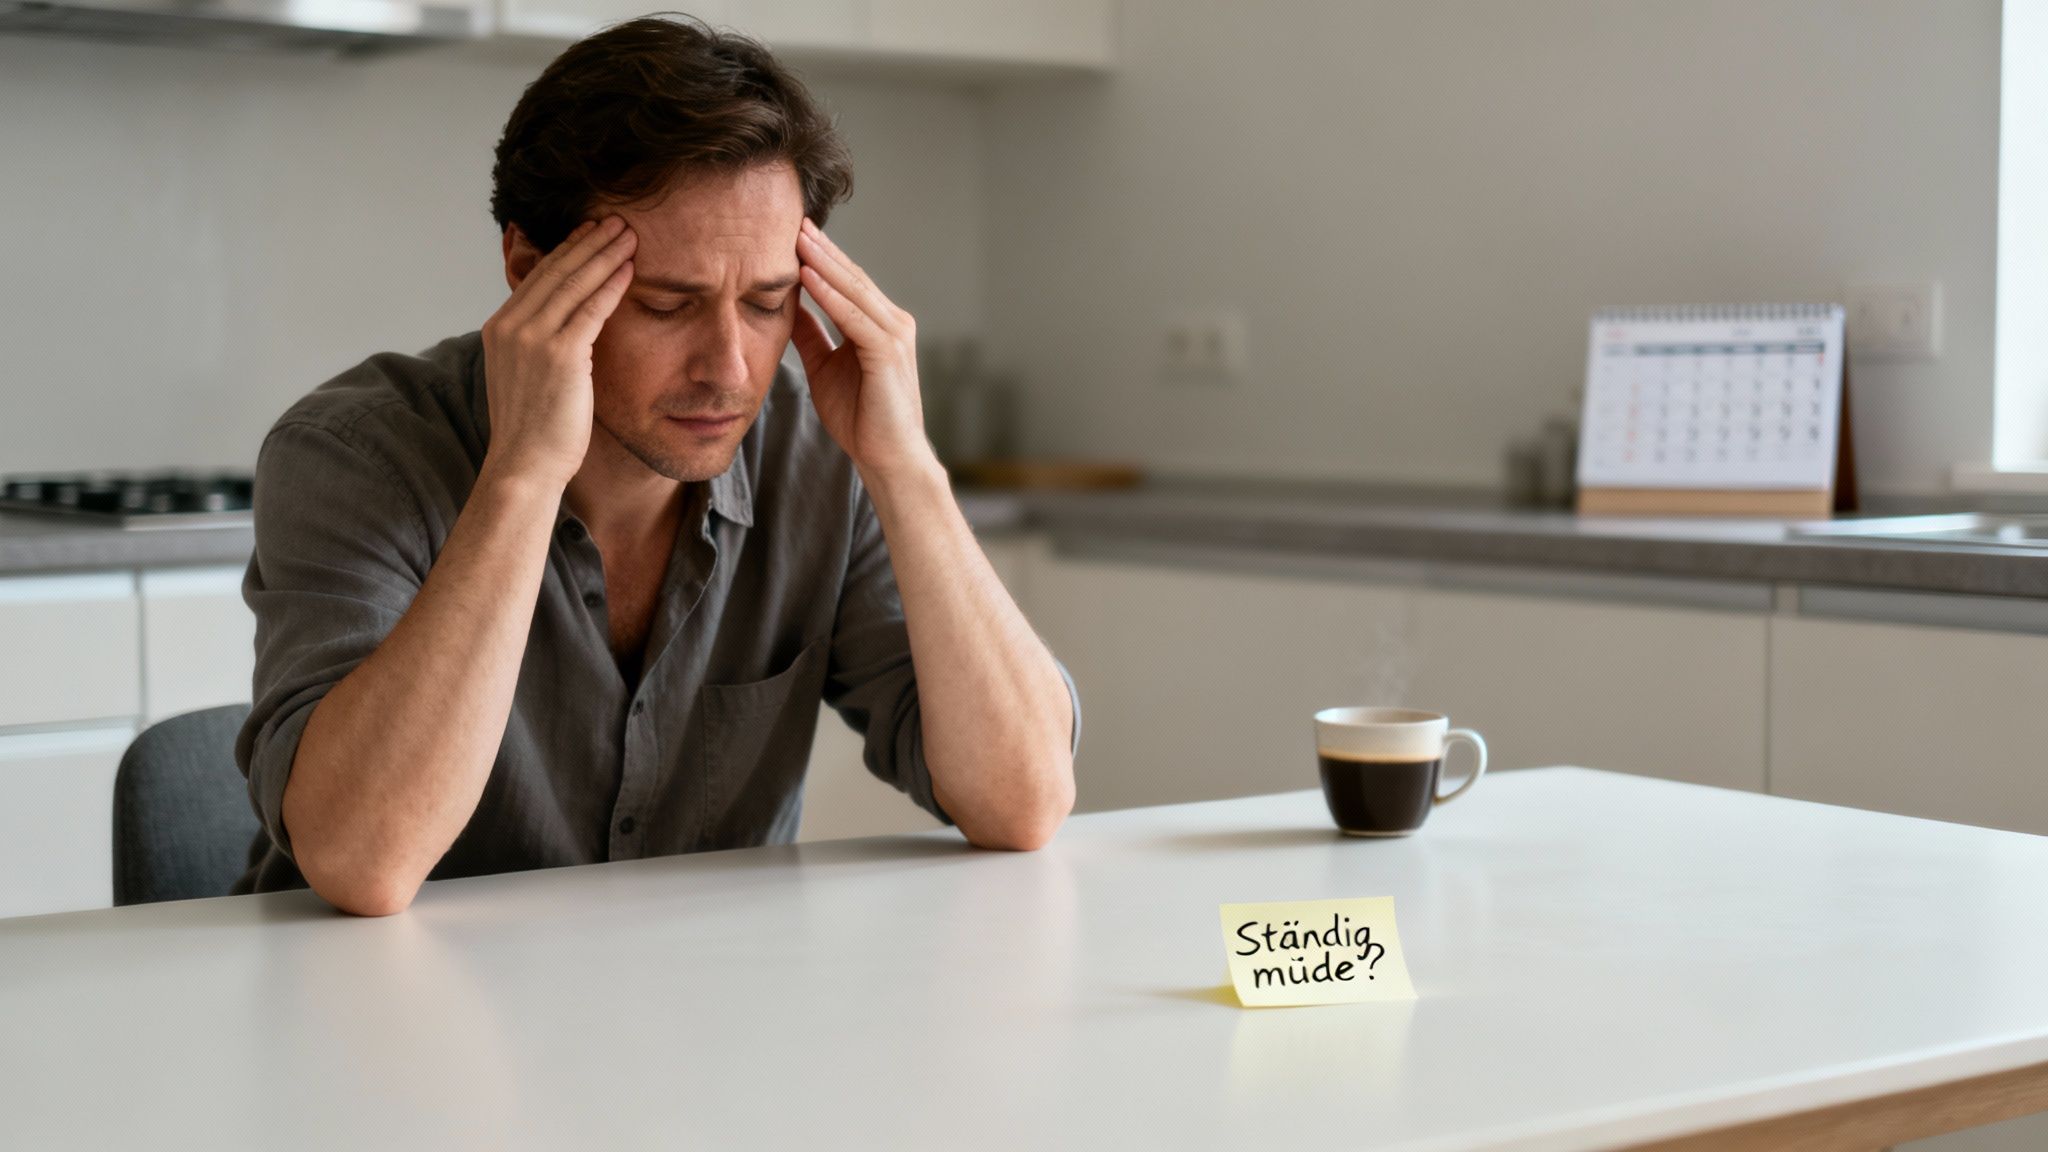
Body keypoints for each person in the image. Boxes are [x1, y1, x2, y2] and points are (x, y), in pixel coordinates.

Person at [232, 15, 1080, 915]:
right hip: (372, 1018)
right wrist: (522, 476)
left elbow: (1023, 804)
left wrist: (906, 468)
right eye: (668, 304)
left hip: (696, 1013)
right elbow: (364, 863)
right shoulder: (356, 454)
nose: (730, 367)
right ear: (528, 266)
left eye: (767, 303)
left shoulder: (820, 453)